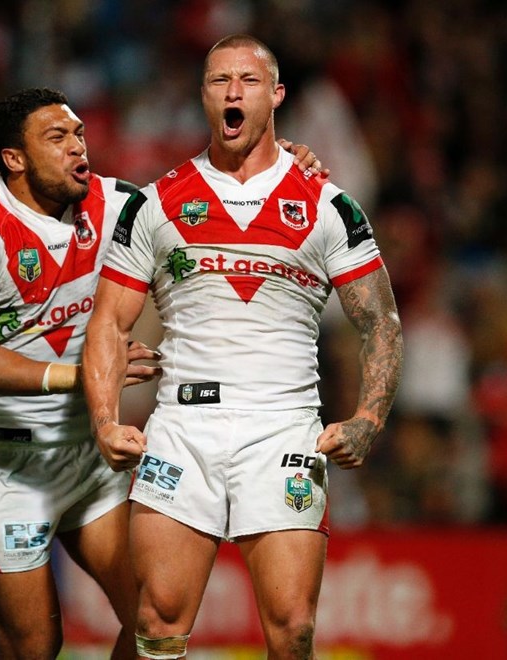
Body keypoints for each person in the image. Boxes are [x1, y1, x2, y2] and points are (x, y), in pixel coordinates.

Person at [0, 87, 324, 659]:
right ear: (14, 158)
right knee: (33, 649)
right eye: (56, 138)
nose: (77, 147)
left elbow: (201, 198)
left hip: (91, 456)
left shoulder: (117, 204)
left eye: (79, 134)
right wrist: (84, 377)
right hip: (7, 465)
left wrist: (269, 166)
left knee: (153, 614)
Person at [82, 34, 404, 659]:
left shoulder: (328, 204)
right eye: (218, 80)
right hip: (183, 430)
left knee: (293, 629)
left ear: (276, 94)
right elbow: (108, 323)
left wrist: (369, 417)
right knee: (157, 622)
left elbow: (381, 321)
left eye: (248, 80)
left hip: (282, 428)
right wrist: (104, 420)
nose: (233, 91)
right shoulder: (156, 202)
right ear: (203, 96)